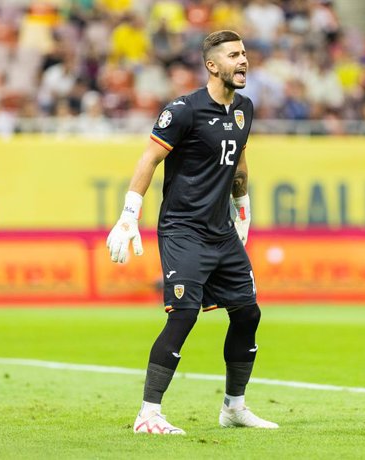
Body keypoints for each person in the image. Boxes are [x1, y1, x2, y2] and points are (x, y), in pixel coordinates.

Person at [106, 30, 278, 435]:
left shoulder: (244, 109)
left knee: (248, 313)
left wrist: (242, 206)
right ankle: (148, 414)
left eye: (245, 53)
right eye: (234, 55)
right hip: (183, 230)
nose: (244, 61)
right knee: (183, 316)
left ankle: (234, 407)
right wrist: (130, 214)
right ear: (212, 65)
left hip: (222, 232)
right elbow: (149, 159)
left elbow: (240, 160)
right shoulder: (183, 110)